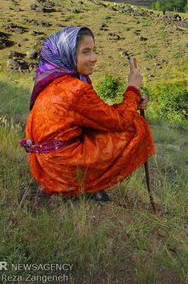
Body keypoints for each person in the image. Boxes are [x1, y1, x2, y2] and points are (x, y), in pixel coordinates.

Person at [21, 26, 155, 202]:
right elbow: (120, 122)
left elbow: (98, 115)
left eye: (94, 51)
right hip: (61, 171)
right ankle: (88, 185)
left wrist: (132, 101)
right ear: (66, 54)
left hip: (44, 165)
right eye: (86, 52)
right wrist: (132, 88)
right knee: (134, 125)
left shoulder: (55, 81)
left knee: (107, 125)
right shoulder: (75, 89)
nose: (94, 58)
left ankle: (84, 185)